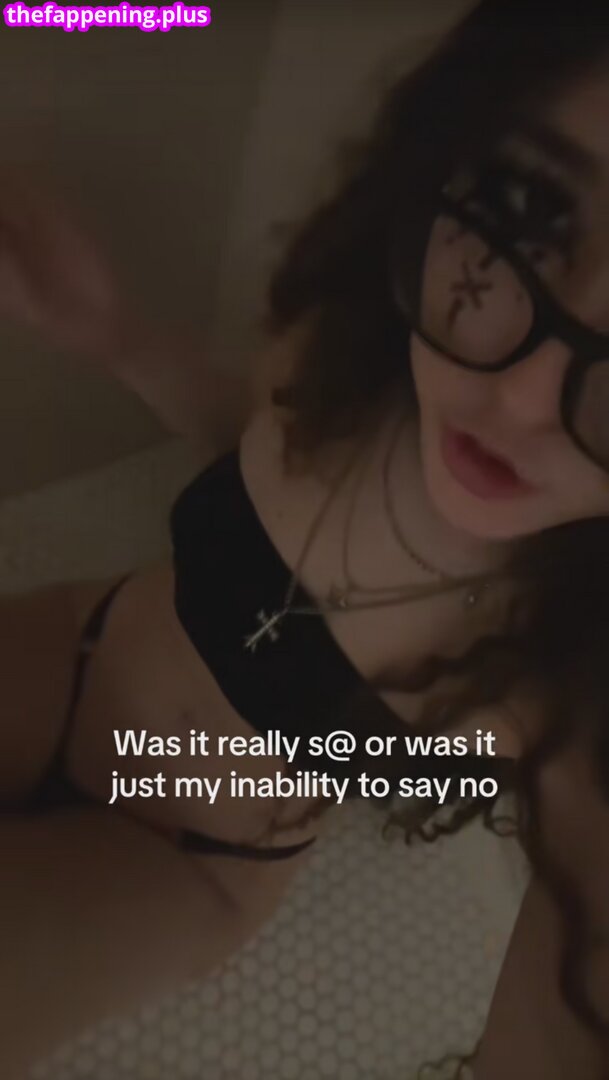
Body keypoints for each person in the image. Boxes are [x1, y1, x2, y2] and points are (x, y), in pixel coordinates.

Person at [0, 0, 608, 1076]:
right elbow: (251, 442)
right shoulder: (340, 352)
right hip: (81, 646)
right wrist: (112, 332)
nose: (520, 397)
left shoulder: (552, 677)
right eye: (526, 213)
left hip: (185, 858)